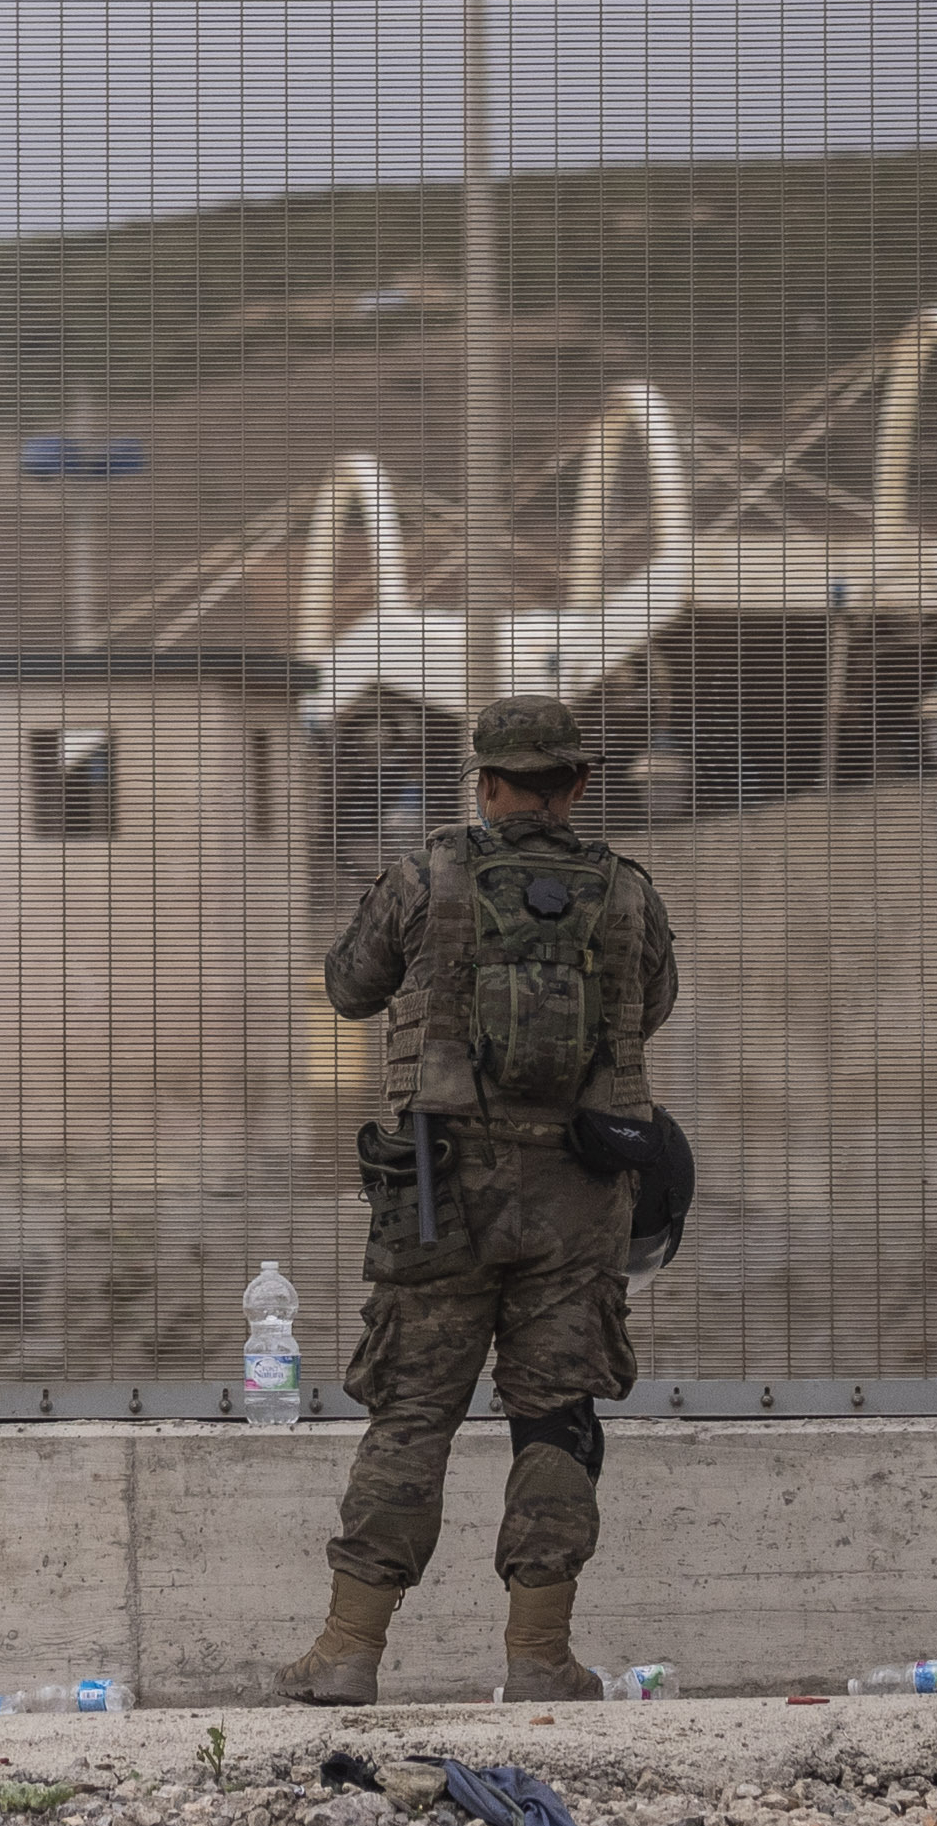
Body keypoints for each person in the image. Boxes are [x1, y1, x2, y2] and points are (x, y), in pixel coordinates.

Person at [275, 694, 678, 1707]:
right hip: (580, 1190)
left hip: (438, 1185)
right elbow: (654, 1005)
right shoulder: (627, 894)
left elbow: (348, 986)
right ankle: (539, 1657)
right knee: (555, 1415)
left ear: (485, 782)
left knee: (412, 1412)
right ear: (579, 784)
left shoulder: (424, 876)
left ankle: (344, 1653)